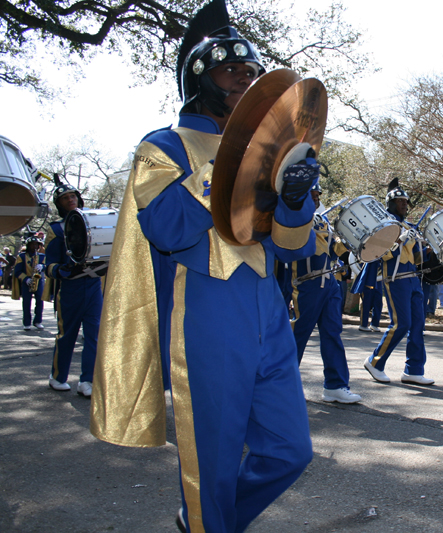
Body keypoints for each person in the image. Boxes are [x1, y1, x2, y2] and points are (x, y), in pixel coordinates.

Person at [89, 1, 318, 531]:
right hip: (205, 309)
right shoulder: (162, 145)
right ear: (198, 77)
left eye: (250, 69)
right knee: (211, 461)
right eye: (229, 68)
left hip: (267, 309)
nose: (244, 77)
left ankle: (207, 522)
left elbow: (293, 248)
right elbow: (167, 229)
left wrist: (294, 197)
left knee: (290, 451)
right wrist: (233, 161)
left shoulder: (273, 148)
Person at [354, 178, 434, 386]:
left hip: (413, 279)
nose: (405, 205)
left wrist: (428, 250)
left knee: (418, 325)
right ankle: (374, 361)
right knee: (401, 323)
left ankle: (414, 370)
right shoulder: (384, 225)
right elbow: (380, 252)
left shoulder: (407, 225)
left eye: (406, 202)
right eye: (400, 201)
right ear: (390, 203)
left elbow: (416, 258)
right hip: (396, 279)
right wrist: (400, 239)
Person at [288, 185, 362, 404]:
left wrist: (348, 243)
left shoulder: (322, 221)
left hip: (329, 282)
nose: (315, 200)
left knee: (332, 333)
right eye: (310, 196)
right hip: (306, 284)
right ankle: (282, 384)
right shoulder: (290, 219)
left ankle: (335, 385)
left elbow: (333, 251)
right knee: (297, 335)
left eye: (317, 197)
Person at [43, 177, 102, 396]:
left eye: (73, 196)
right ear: (59, 204)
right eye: (65, 198)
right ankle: (58, 376)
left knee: (94, 335)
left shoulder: (94, 222)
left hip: (93, 286)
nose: (70, 200)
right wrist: (64, 270)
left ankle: (87, 380)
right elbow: (49, 266)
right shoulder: (56, 230)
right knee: (67, 335)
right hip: (70, 289)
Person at [12, 237, 48, 331]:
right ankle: (27, 323)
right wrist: (26, 279)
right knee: (26, 303)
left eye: (36, 244)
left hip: (39, 281)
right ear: (28, 246)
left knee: (40, 302)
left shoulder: (42, 256)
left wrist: (43, 266)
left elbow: (47, 266)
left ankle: (38, 321)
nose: (34, 246)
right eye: (32, 244)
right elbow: (17, 271)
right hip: (27, 281)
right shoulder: (22, 256)